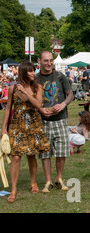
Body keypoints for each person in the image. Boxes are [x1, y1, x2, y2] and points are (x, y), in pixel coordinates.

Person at [1, 61, 50, 202]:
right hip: (17, 125)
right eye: (30, 71)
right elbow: (8, 108)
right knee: (16, 157)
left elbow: (38, 104)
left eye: (33, 70)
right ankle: (14, 189)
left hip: (33, 124)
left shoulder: (37, 87)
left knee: (31, 155)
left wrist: (25, 93)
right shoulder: (12, 88)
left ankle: (33, 182)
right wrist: (4, 128)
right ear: (23, 72)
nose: (33, 73)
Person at [36, 50, 74, 193]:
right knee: (45, 153)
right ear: (39, 61)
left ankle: (59, 179)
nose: (49, 63)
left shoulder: (59, 76)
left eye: (51, 60)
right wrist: (39, 109)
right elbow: (32, 100)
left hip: (60, 119)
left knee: (61, 151)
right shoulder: (35, 79)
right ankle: (48, 181)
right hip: (43, 121)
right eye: (46, 61)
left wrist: (63, 104)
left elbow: (70, 94)